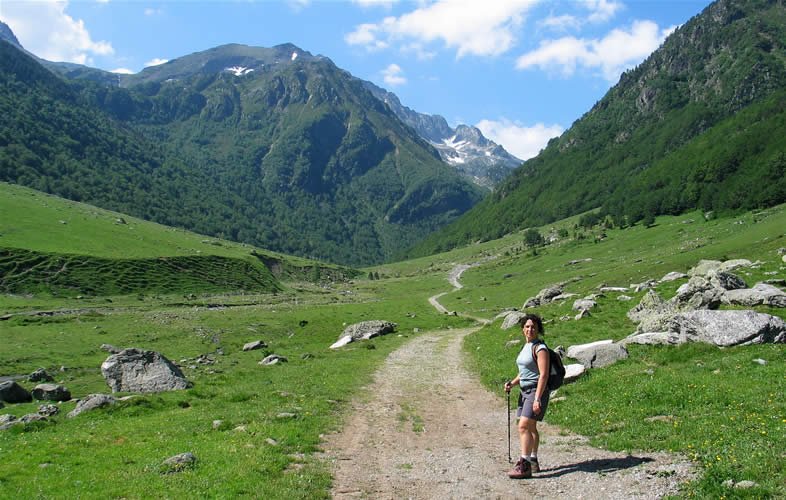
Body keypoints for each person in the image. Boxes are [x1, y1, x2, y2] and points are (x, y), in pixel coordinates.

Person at [504, 313, 551, 479]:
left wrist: (538, 398)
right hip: (525, 391)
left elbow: (543, 375)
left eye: (533, 327)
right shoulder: (527, 347)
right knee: (531, 427)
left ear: (538, 329)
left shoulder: (541, 348)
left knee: (523, 426)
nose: (530, 329)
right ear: (523, 329)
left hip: (535, 391)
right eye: (527, 326)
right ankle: (533, 461)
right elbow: (525, 372)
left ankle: (524, 465)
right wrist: (513, 382)